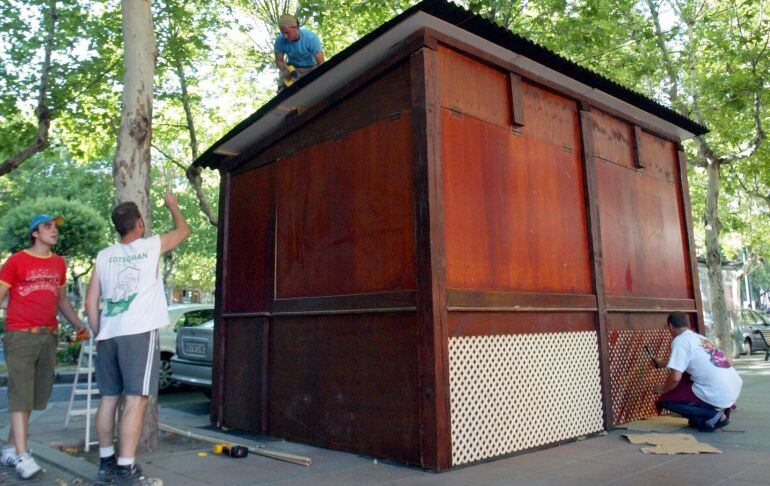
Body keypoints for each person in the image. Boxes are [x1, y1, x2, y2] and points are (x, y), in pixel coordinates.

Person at [86, 192, 189, 485]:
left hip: (108, 335)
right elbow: (183, 231)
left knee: (108, 398)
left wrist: (98, 331)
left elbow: (90, 301)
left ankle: (106, 463)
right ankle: (126, 469)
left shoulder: (104, 256)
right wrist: (173, 206)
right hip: (138, 333)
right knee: (136, 399)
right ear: (140, 224)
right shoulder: (151, 246)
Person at [0, 214, 88, 479]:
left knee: (36, 398)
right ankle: (23, 456)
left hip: (48, 336)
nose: (53, 231)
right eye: (47, 227)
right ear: (34, 233)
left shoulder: (59, 264)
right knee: (20, 395)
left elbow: (61, 300)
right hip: (20, 336)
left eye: (55, 227)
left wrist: (78, 324)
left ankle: (9, 447)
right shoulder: (16, 261)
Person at [652, 312, 743, 431]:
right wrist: (661, 364)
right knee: (685, 379)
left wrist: (662, 390)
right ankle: (702, 420)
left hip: (718, 393)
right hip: (732, 388)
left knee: (666, 399)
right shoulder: (700, 338)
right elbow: (685, 361)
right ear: (687, 325)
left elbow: (675, 378)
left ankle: (711, 416)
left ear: (670, 326)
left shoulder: (680, 341)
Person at [274, 13, 325, 91]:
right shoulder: (280, 40)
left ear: (295, 27)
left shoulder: (310, 38)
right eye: (282, 33)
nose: (285, 36)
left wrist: (317, 77)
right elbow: (279, 61)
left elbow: (321, 63)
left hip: (311, 68)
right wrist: (285, 70)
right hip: (293, 69)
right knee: (283, 91)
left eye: (287, 32)